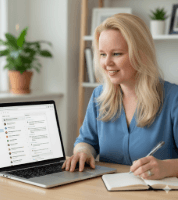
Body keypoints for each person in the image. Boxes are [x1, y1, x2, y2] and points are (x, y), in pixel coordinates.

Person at [62, 13, 178, 180]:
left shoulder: (173, 98)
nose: (107, 63)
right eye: (102, 54)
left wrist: (168, 167)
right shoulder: (99, 96)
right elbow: (86, 141)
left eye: (116, 54)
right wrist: (83, 152)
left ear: (140, 54)